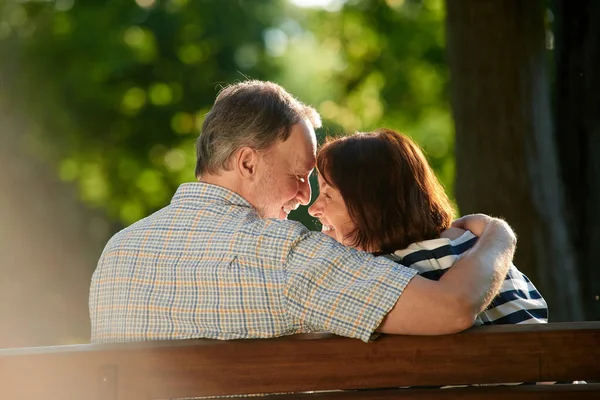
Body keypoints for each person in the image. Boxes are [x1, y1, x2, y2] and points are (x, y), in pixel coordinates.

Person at [89, 80, 516, 343]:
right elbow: (453, 308)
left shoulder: (118, 254)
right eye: (300, 174)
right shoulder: (286, 258)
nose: (305, 198)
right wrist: (498, 234)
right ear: (248, 162)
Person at [308, 128, 547, 325]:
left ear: (372, 206)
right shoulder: (478, 246)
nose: (313, 209)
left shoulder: (378, 275)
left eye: (328, 196)